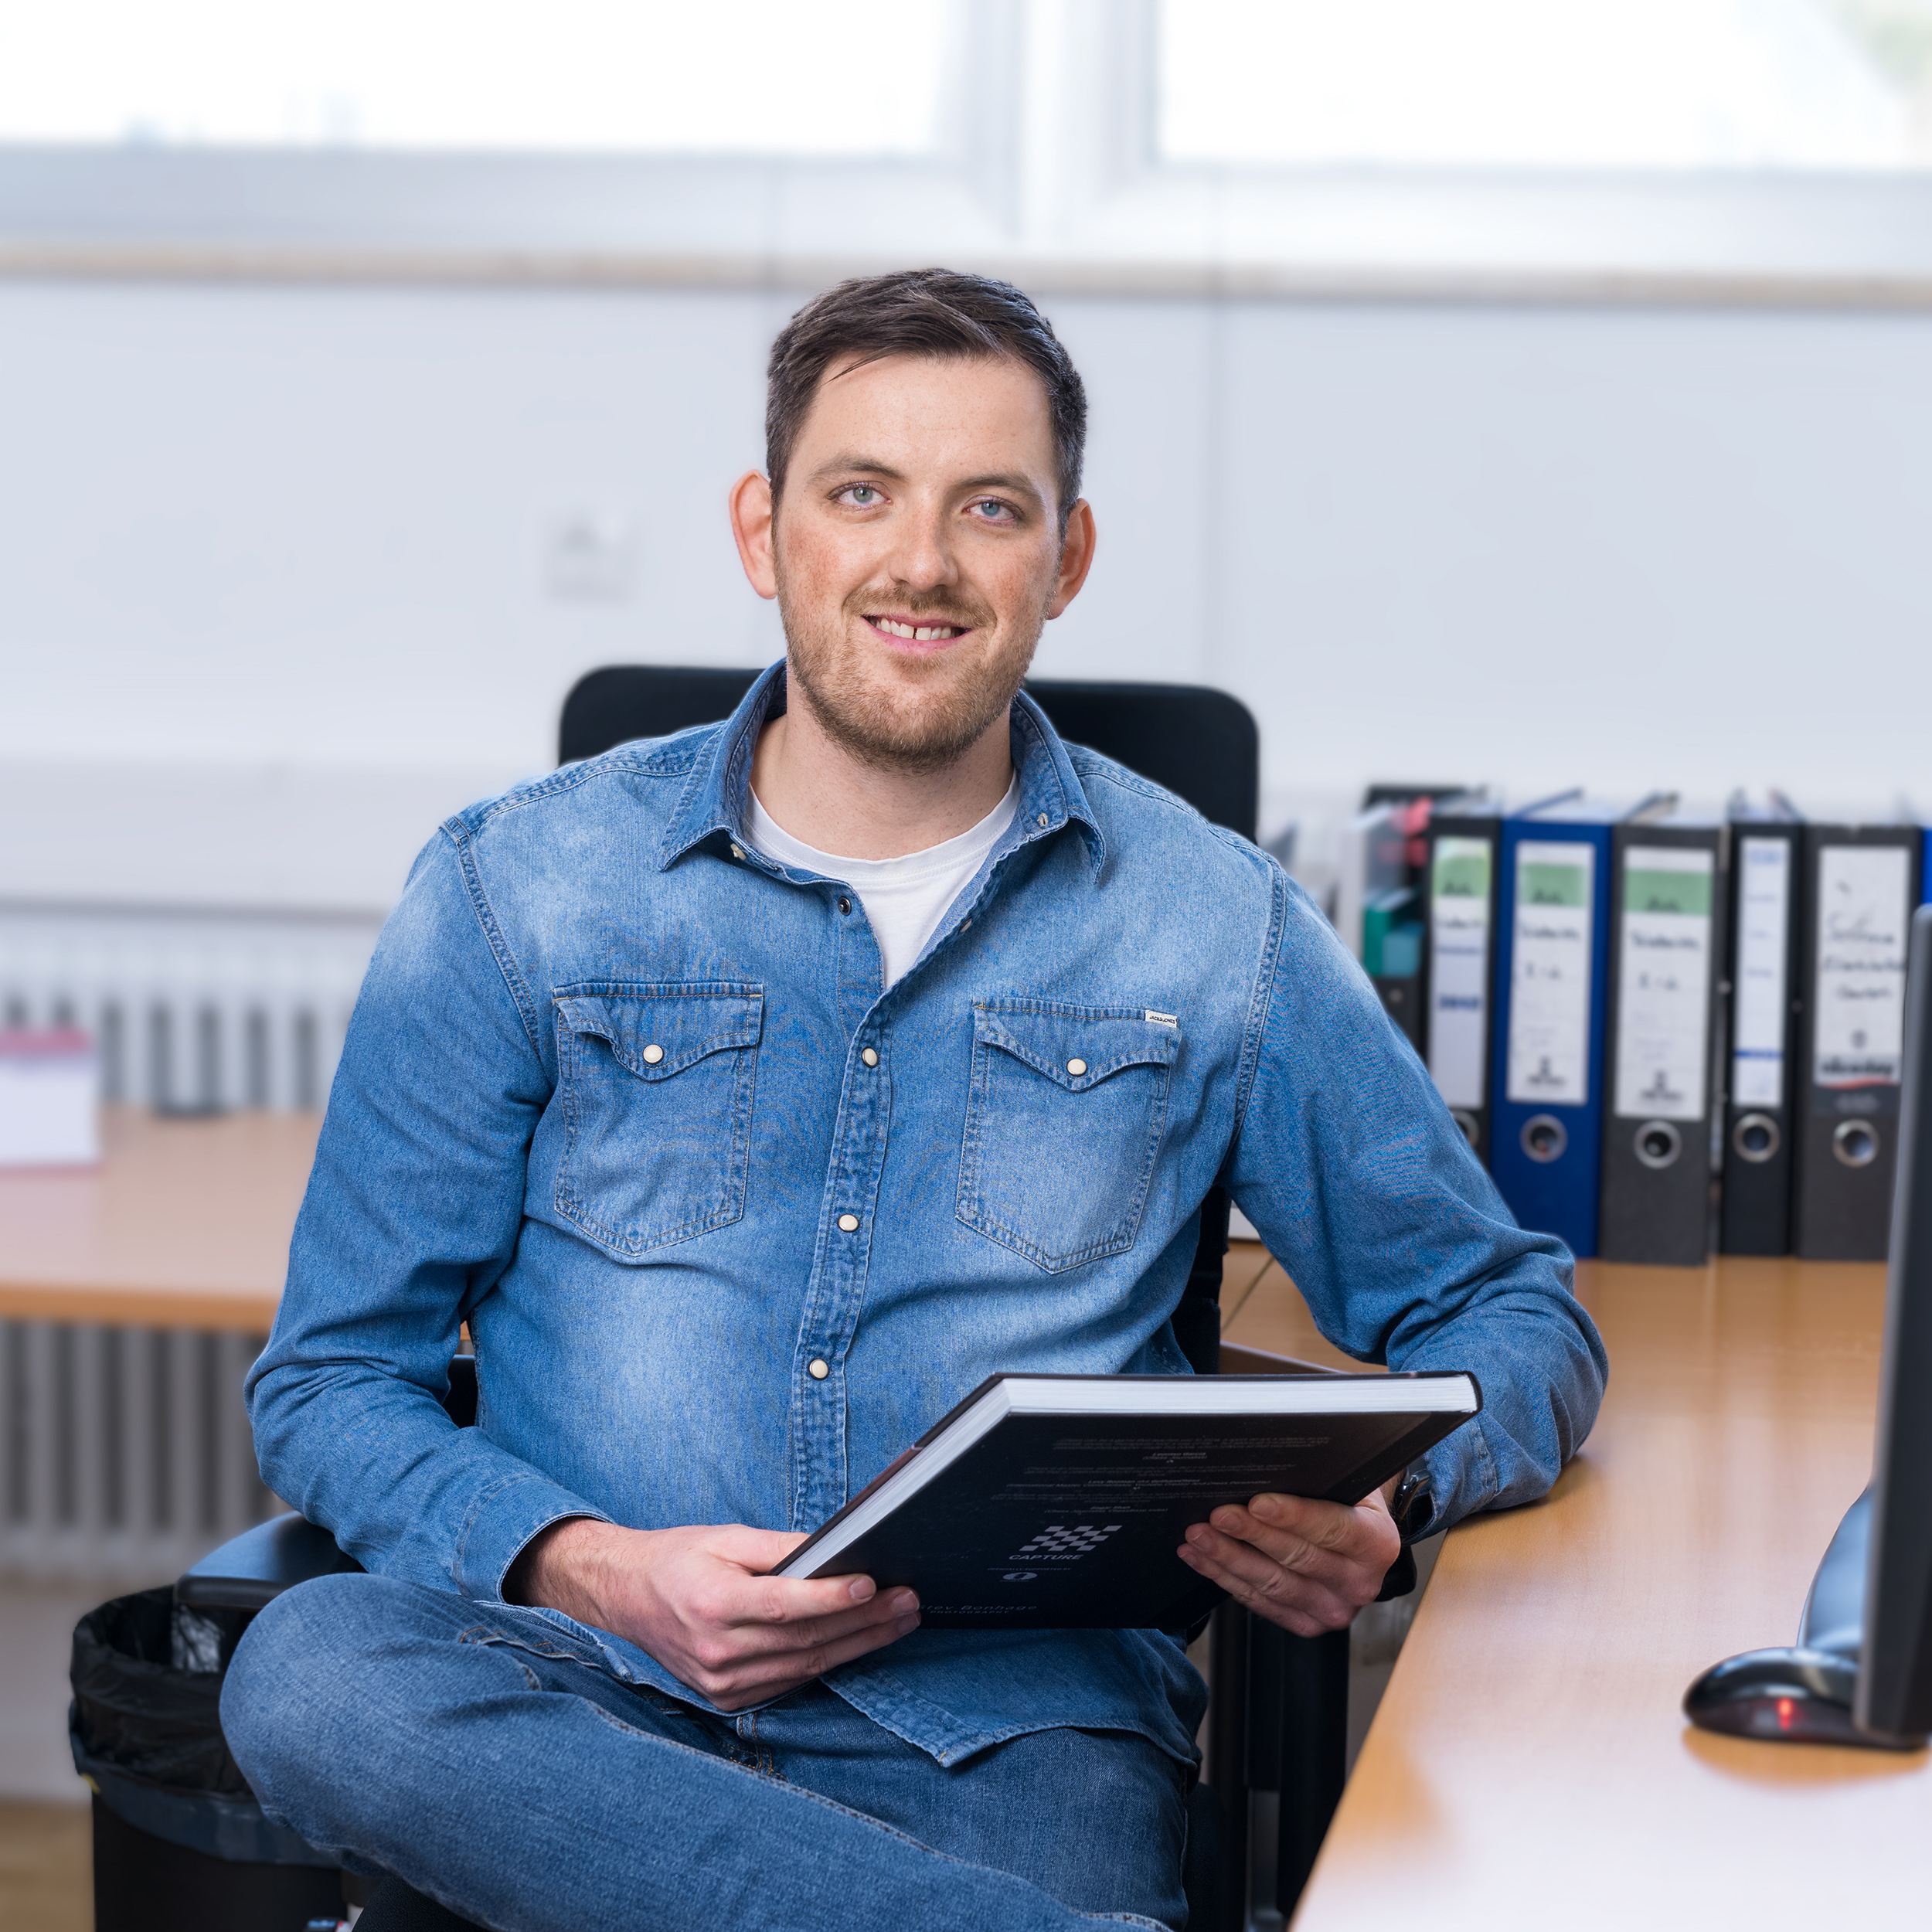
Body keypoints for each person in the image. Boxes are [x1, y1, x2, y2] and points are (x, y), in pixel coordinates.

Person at [222, 269, 1606, 1932]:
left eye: (990, 507)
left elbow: (1505, 1307)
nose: (921, 562)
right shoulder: (517, 888)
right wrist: (595, 1566)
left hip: (1006, 1730)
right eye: (860, 491)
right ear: (764, 531)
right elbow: (331, 1380)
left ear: (1065, 559)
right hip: (576, 1689)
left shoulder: (1209, 923)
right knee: (309, 1669)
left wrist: (1389, 1502)